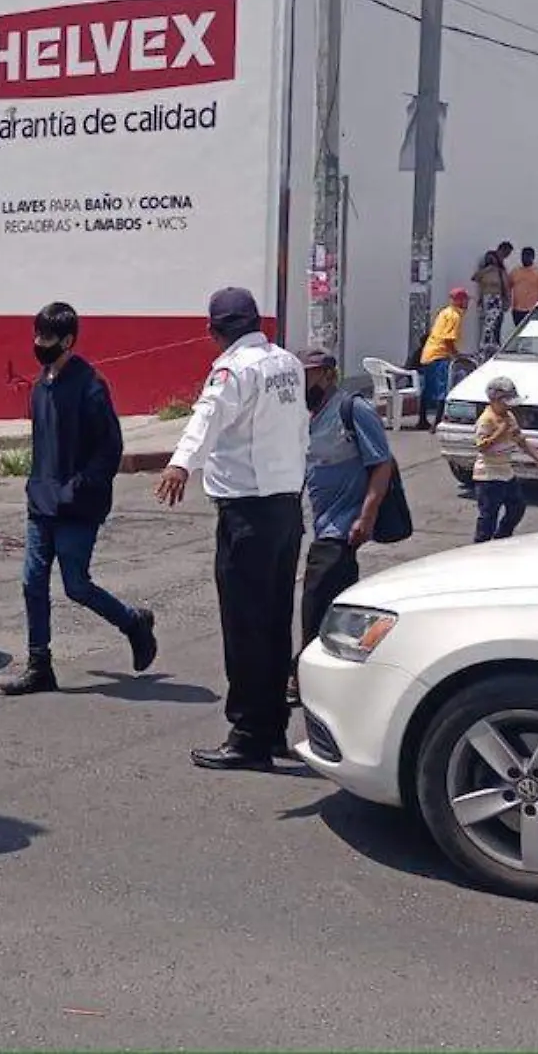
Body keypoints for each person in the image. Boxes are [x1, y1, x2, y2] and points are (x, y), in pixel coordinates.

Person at [155, 288, 308, 772]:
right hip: (286, 506)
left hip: (246, 513)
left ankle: (248, 736)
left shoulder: (232, 369)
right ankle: (273, 727)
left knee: (245, 628)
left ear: (214, 331)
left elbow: (206, 416)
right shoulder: (287, 363)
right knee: (274, 623)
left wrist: (181, 464)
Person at [3, 303, 157, 695]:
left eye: (48, 338)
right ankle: (40, 664)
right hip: (41, 504)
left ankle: (133, 622)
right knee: (31, 582)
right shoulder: (40, 387)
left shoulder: (90, 385)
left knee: (76, 585)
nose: (39, 344)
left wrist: (79, 487)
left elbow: (110, 447)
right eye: (36, 336)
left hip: (77, 507)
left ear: (68, 340)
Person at [295, 348, 393, 706]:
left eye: (306, 374)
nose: (300, 381)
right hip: (317, 525)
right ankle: (343, 676)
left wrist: (366, 516)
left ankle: (305, 677)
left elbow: (381, 465)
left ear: (326, 374)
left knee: (316, 604)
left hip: (342, 528)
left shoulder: (353, 409)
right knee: (336, 608)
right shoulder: (306, 414)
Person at [473, 376, 538, 542]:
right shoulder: (486, 420)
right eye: (505, 402)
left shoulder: (509, 416)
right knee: (488, 516)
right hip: (489, 476)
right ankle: (480, 546)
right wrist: (500, 432)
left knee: (517, 508)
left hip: (506, 472)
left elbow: (520, 440)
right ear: (495, 400)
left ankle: (502, 537)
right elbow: (481, 446)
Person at [415, 287, 470, 431]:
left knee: (427, 389)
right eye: (465, 300)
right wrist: (456, 355)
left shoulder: (444, 312)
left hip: (428, 354)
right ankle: (436, 423)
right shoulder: (455, 316)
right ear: (460, 300)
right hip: (440, 355)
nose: (467, 303)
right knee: (442, 389)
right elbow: (448, 340)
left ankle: (422, 420)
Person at [474, 249, 510, 355]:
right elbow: (475, 278)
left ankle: (492, 347)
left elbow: (506, 287)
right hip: (486, 299)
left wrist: (507, 301)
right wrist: (487, 270)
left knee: (493, 324)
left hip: (495, 300)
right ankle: (484, 347)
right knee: (486, 324)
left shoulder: (500, 272)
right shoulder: (484, 272)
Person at [509, 247, 538, 330]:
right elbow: (508, 286)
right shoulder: (515, 272)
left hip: (533, 309)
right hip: (517, 310)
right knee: (519, 332)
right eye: (523, 256)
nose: (524, 259)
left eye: (527, 256)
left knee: (532, 332)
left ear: (532, 257)